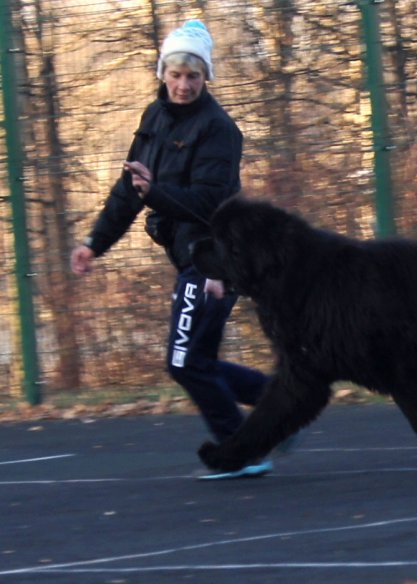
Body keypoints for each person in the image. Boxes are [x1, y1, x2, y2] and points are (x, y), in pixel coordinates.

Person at [71, 20, 288, 479]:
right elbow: (128, 190)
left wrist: (155, 196)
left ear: (205, 77)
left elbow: (211, 202)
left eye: (193, 76)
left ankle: (242, 448)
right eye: (176, 74)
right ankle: (282, 406)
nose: (184, 85)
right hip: (191, 255)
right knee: (198, 361)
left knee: (184, 362)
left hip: (216, 257)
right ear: (163, 74)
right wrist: (95, 242)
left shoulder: (220, 129)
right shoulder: (154, 119)